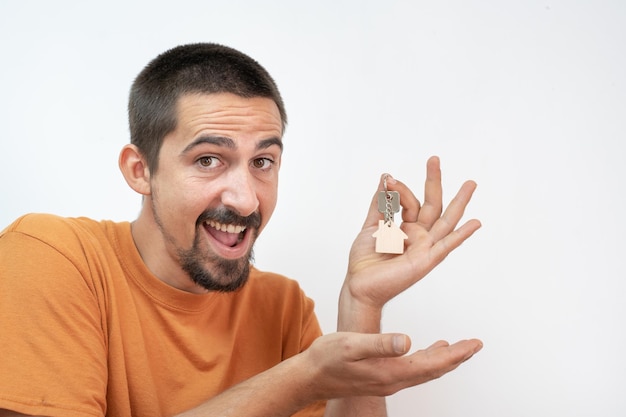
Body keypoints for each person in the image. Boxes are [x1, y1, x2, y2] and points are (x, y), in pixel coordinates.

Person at [0, 43, 483, 417]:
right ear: (139, 170)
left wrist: (362, 305)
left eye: (263, 162)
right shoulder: (51, 256)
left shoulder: (283, 308)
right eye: (209, 159)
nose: (247, 198)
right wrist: (304, 377)